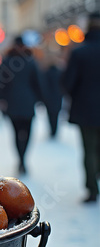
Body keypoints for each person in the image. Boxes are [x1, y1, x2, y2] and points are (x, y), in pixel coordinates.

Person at [62, 12, 100, 203]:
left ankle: (92, 188)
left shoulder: (79, 53)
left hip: (86, 111)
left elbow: (68, 83)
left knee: (89, 149)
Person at [0, 36, 43, 174]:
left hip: (12, 104)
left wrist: (0, 99)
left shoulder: (6, 61)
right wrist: (40, 99)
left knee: (16, 133)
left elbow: (0, 83)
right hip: (28, 103)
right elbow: (38, 83)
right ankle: (23, 158)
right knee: (27, 133)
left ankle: (21, 159)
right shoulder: (31, 61)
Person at [40, 54, 63, 138]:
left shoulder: (46, 73)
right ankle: (54, 130)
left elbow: (43, 85)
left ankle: (52, 130)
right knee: (56, 114)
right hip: (57, 96)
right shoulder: (60, 72)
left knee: (50, 114)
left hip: (49, 97)